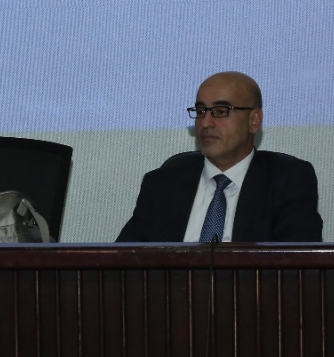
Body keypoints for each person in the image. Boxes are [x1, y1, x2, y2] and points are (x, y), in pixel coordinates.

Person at [116, 71, 322, 242]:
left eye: (221, 111)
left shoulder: (287, 181)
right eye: (200, 111)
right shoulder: (163, 183)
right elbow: (121, 260)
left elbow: (297, 263)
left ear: (254, 120)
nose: (205, 123)